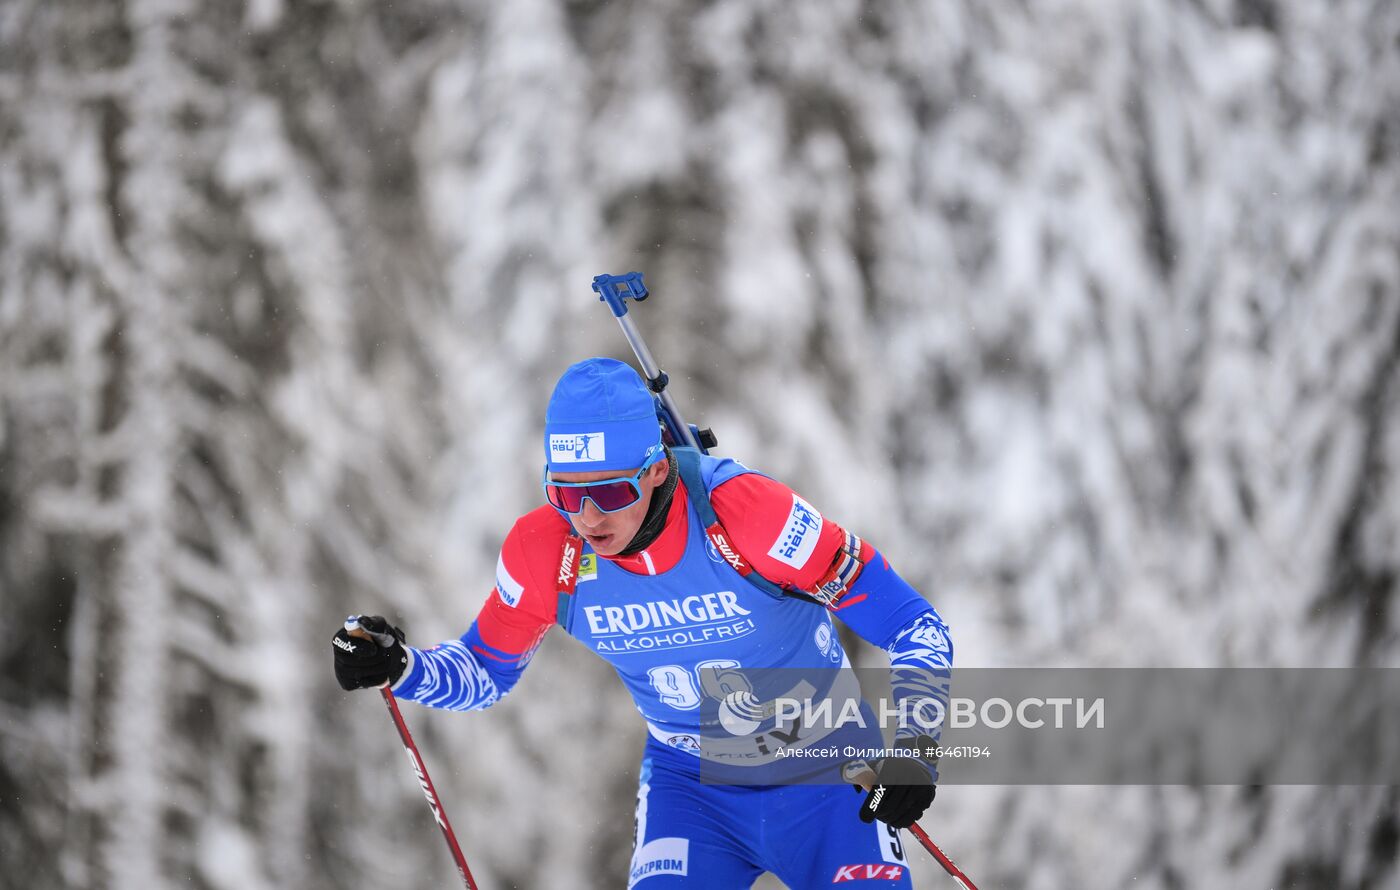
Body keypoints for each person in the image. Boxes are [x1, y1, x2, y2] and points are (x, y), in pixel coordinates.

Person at [334, 358, 954, 888]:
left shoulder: (750, 518)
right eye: (566, 494)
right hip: (694, 793)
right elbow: (483, 672)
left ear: (658, 469)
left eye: (608, 492)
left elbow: (915, 626)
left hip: (829, 774)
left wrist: (917, 753)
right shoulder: (546, 553)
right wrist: (397, 665)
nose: (587, 518)